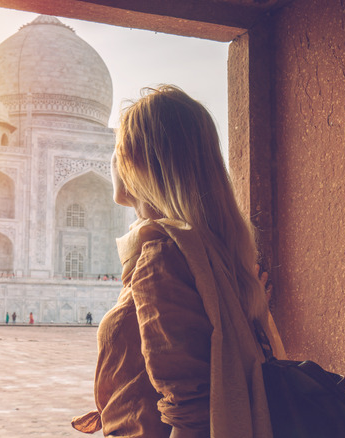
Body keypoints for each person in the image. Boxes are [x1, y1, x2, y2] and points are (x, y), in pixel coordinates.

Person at [71, 86, 286, 438]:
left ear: (138, 164)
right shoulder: (211, 251)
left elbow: (191, 412)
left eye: (117, 149)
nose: (111, 160)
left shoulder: (164, 257)